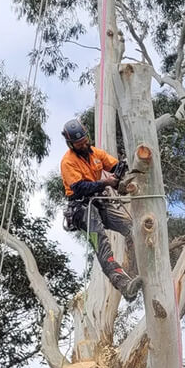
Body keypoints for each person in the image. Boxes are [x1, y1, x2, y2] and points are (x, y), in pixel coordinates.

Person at [60, 118, 142, 301]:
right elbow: (79, 188)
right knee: (102, 244)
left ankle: (137, 268)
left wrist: (122, 171)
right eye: (78, 143)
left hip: (99, 202)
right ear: (70, 144)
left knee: (132, 227)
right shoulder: (68, 162)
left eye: (84, 140)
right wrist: (105, 182)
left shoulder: (96, 153)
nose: (83, 144)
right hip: (82, 209)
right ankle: (124, 286)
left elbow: (114, 165)